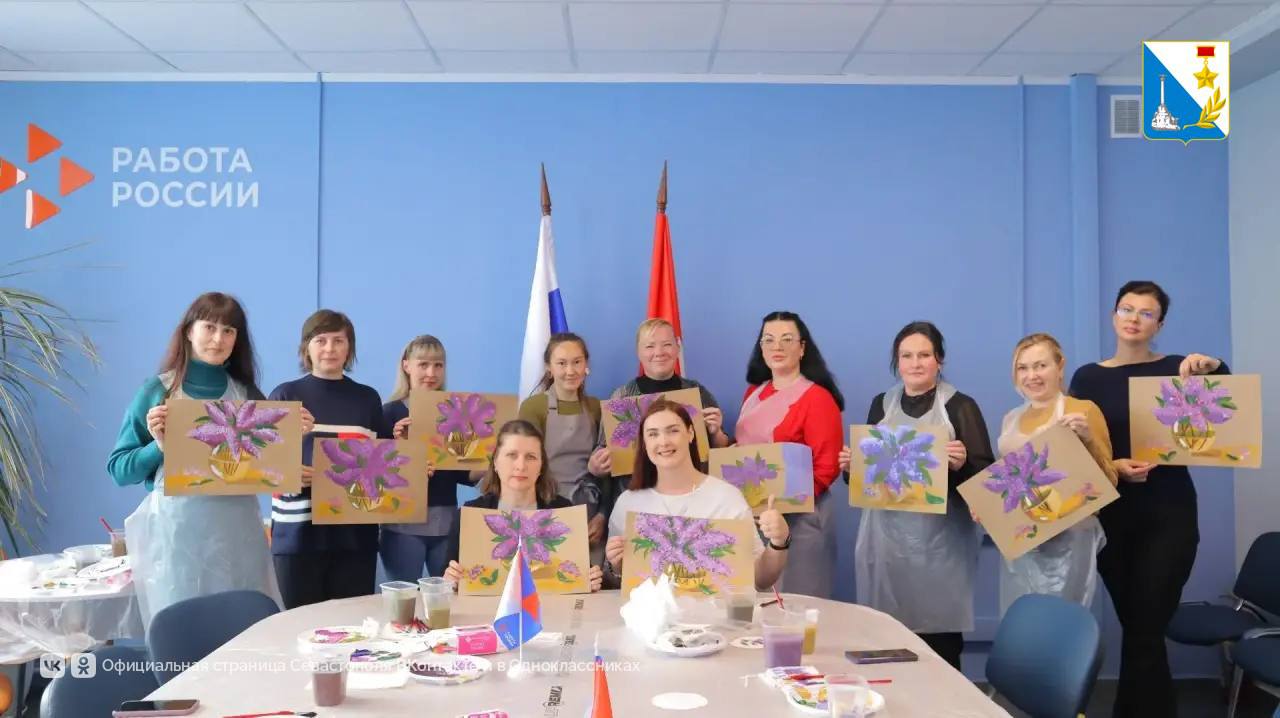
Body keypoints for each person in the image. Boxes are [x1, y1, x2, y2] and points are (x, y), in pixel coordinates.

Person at [1069, 280, 1229, 718]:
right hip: (1111, 517)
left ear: (1159, 324)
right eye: (1127, 309)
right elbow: (1077, 451)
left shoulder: (1179, 368)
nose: (1134, 319)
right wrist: (1113, 465)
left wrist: (1215, 367)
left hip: (1169, 515)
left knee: (1144, 625)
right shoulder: (1087, 377)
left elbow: (1227, 409)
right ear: (1113, 315)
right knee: (1141, 630)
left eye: (1146, 313)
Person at [109, 292, 311, 625]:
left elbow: (270, 470)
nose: (218, 339)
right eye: (209, 327)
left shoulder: (246, 395)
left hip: (238, 537)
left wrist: (293, 437)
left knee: (245, 629)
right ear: (189, 331)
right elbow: (119, 470)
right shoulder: (157, 392)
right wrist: (160, 447)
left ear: (237, 340)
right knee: (184, 632)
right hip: (177, 540)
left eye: (228, 331)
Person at [842, 321, 994, 671]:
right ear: (897, 362)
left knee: (939, 643)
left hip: (939, 546)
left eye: (924, 355)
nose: (915, 363)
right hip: (884, 543)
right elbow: (866, 482)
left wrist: (961, 464)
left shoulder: (960, 406)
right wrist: (851, 467)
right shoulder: (881, 404)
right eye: (906, 356)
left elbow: (985, 482)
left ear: (939, 360)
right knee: (885, 638)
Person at [269, 309, 391, 609]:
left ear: (349, 348)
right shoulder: (285, 395)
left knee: (350, 625)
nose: (329, 348)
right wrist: (289, 473)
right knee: (298, 625)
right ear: (306, 347)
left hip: (355, 536)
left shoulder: (367, 399)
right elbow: (262, 464)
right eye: (320, 340)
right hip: (297, 533)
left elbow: (383, 463)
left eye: (339, 340)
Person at [606, 399, 790, 590]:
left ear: (690, 433)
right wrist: (617, 567)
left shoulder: (726, 498)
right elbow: (614, 582)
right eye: (653, 434)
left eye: (673, 431)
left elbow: (760, 579)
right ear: (644, 444)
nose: (663, 441)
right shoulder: (628, 503)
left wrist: (779, 543)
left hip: (718, 609)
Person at [995, 333, 1117, 612]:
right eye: (1023, 368)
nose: (1032, 376)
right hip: (1024, 539)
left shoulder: (1082, 411)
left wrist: (1087, 439)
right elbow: (1009, 482)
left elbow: (1109, 480)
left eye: (1041, 365)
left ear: (1060, 367)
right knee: (1021, 619)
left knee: (1060, 620)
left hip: (1069, 540)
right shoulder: (1010, 419)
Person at [736, 311, 843, 598]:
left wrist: (785, 504)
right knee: (755, 601)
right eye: (768, 340)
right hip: (754, 516)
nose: (777, 347)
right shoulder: (753, 394)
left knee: (797, 602)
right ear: (761, 347)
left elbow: (827, 465)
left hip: (801, 519)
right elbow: (748, 450)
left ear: (802, 347)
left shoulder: (817, 398)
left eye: (787, 339)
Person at [443, 420, 603, 592]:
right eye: (512, 455)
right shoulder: (469, 515)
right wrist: (449, 580)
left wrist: (591, 578)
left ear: (541, 466)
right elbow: (447, 577)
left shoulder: (564, 511)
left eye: (531, 457)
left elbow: (581, 574)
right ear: (495, 462)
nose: (521, 466)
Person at [380, 335, 475, 581]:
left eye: (438, 365)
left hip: (445, 522)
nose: (431, 373)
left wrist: (488, 456)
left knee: (447, 596)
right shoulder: (389, 413)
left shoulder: (456, 413)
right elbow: (377, 478)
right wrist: (401, 450)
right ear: (406, 365)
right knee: (404, 596)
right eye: (423, 364)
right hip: (401, 525)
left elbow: (466, 474)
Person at [517, 333, 611, 563]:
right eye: (561, 363)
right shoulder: (534, 407)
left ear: (586, 365)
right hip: (544, 509)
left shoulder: (597, 408)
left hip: (589, 513)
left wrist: (602, 516)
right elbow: (523, 465)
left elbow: (611, 471)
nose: (570, 371)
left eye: (577, 362)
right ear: (549, 368)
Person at [610, 318, 731, 448]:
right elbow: (605, 448)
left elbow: (722, 448)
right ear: (638, 352)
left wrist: (716, 433)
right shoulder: (622, 396)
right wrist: (600, 457)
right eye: (650, 346)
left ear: (677, 348)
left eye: (667, 344)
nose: (659, 353)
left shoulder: (697, 392)